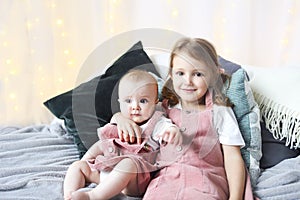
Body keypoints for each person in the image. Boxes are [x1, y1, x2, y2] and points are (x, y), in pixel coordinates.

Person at [112, 38, 255, 199]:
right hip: (164, 183)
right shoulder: (161, 109)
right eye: (180, 73)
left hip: (205, 183)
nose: (188, 81)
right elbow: (135, 118)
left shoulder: (219, 111)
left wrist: (234, 198)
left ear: (213, 75)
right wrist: (119, 118)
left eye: (198, 74)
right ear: (172, 75)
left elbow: (232, 157)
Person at [63, 69, 182, 200]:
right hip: (107, 171)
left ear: (155, 102)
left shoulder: (156, 122)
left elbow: (166, 127)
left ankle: (93, 196)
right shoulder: (118, 122)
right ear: (120, 102)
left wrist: (172, 131)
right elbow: (101, 145)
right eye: (128, 101)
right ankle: (69, 195)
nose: (135, 106)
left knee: (128, 163)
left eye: (143, 101)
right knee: (77, 166)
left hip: (134, 179)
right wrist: (86, 160)